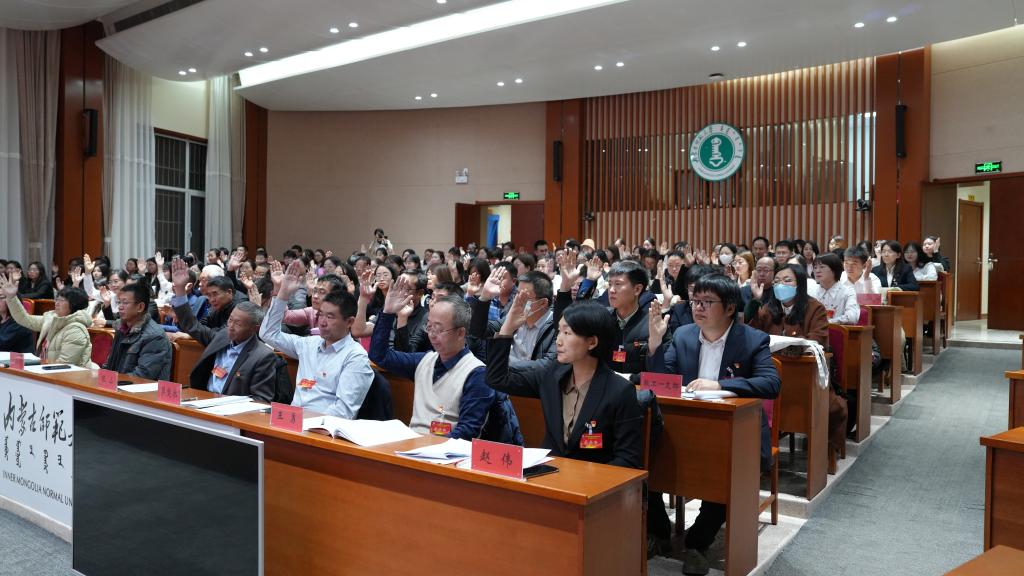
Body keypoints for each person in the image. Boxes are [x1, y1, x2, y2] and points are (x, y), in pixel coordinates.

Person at [647, 273, 780, 575]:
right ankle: (659, 533)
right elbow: (661, 382)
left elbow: (771, 383)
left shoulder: (752, 340)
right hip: (684, 429)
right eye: (695, 300)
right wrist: (655, 345)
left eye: (707, 302)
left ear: (730, 307)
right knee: (641, 457)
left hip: (737, 435)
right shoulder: (683, 335)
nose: (698, 307)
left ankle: (697, 542)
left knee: (725, 475)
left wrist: (720, 385)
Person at [486, 296, 642, 465]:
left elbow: (628, 459)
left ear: (592, 342)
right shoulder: (551, 376)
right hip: (550, 472)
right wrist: (507, 329)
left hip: (592, 478)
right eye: (559, 331)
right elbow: (497, 379)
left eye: (567, 333)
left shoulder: (620, 391)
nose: (558, 341)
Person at [368, 277, 522, 443]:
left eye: (439, 329)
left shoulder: (476, 374)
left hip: (447, 452)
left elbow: (467, 431)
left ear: (460, 333)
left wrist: (425, 446)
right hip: (413, 445)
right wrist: (388, 313)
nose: (432, 335)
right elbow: (379, 356)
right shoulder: (423, 361)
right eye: (429, 327)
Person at [260, 261, 374, 418]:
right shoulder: (309, 344)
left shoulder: (355, 356)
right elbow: (268, 334)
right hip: (292, 421)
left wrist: (303, 422)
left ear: (349, 322)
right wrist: (283, 293)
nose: (322, 322)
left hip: (322, 427)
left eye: (330, 317)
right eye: (320, 315)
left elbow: (342, 412)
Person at [180, 300, 281, 403]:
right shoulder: (222, 336)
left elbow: (262, 399)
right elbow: (193, 326)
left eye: (238, 324)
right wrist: (180, 297)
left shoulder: (263, 356)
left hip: (232, 408)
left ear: (254, 328)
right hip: (203, 398)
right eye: (230, 319)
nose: (231, 327)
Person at [1, 274, 93, 367]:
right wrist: (11, 297)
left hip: (69, 374)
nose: (56, 303)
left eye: (61, 300)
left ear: (74, 304)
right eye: (57, 299)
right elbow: (24, 319)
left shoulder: (76, 330)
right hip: (47, 369)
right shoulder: (52, 319)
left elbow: (64, 365)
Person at [470, 268, 556, 365]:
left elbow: (546, 367)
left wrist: (506, 368)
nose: (517, 300)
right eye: (517, 294)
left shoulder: (557, 327)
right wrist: (485, 297)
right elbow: (479, 331)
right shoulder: (516, 316)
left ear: (542, 303)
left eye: (524, 297)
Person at [104, 282, 173, 380]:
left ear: (140, 307)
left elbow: (142, 376)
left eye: (125, 303)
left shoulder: (154, 336)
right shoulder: (121, 328)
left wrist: (112, 381)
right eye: (119, 302)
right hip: (118, 384)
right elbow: (110, 364)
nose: (120, 307)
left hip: (140, 388)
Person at [748, 264, 828, 344]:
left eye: (787, 280)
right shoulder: (769, 308)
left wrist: (796, 344)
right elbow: (751, 332)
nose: (780, 285)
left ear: (799, 284)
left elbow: (818, 338)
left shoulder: (815, 308)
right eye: (776, 281)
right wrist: (756, 300)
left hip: (801, 351)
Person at [810, 253, 860, 324]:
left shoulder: (848, 292)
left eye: (822, 267)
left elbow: (852, 317)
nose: (817, 271)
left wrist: (827, 323)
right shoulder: (811, 292)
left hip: (837, 330)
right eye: (815, 268)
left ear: (834, 270)